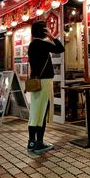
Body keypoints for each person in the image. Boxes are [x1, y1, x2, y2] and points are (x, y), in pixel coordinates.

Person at [27, 21, 65, 154]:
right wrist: (52, 37)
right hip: (44, 81)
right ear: (43, 31)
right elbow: (61, 49)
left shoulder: (32, 45)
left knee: (35, 112)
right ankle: (39, 143)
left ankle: (31, 142)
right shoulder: (43, 44)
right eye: (46, 29)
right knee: (41, 111)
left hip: (35, 81)